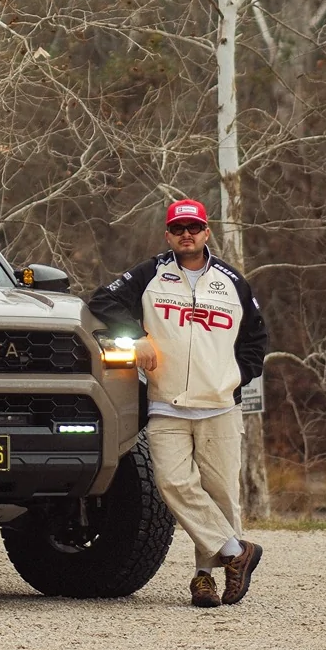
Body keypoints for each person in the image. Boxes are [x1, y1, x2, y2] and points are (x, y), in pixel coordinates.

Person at [89, 199, 268, 608]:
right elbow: (103, 301)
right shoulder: (150, 274)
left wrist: (235, 377)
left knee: (221, 494)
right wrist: (135, 335)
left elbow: (256, 339)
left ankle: (206, 578)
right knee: (172, 484)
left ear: (206, 233)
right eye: (178, 228)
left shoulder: (232, 282)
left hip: (220, 405)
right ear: (168, 235)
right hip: (165, 403)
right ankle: (236, 552)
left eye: (194, 227)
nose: (186, 234)